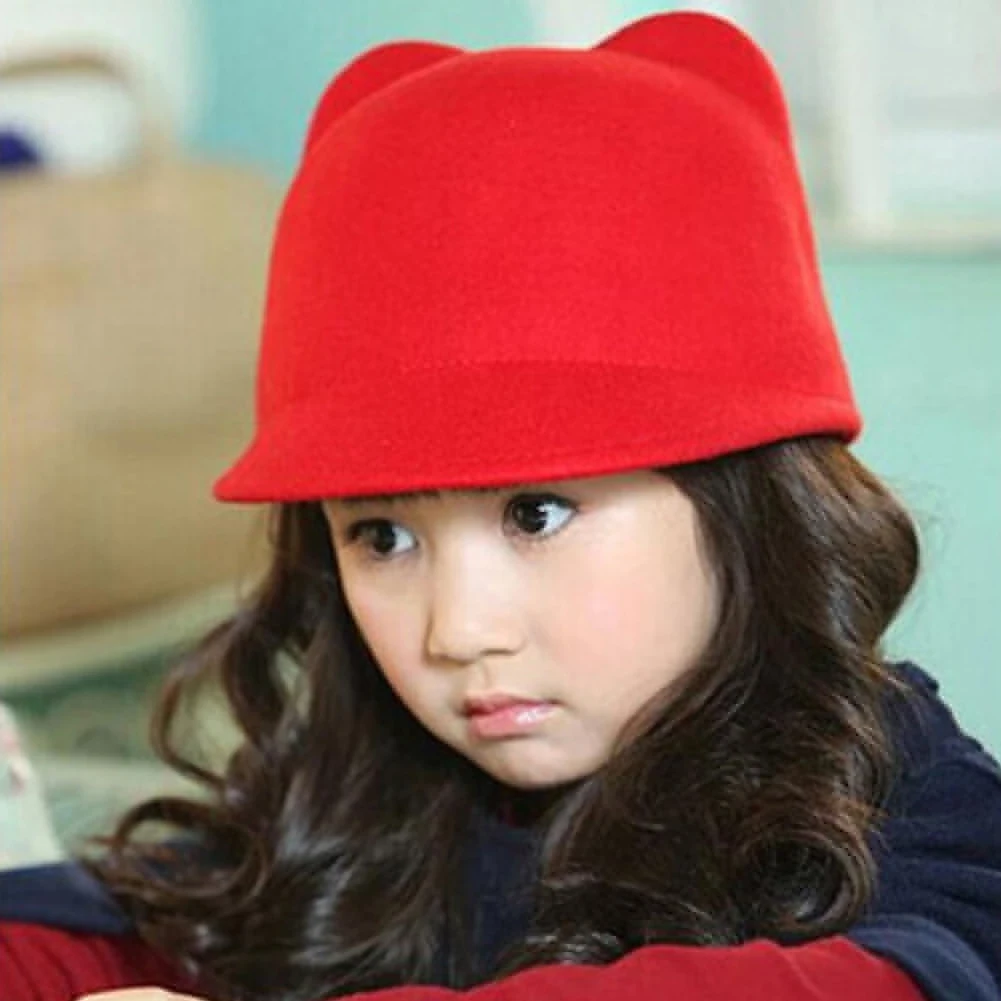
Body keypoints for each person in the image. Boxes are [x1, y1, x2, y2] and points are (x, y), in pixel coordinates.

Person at [2, 9, 1000, 1001]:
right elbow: (127, 922)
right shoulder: (381, 792)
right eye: (381, 535)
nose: (457, 630)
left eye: (534, 514)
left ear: (740, 501)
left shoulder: (893, 790)